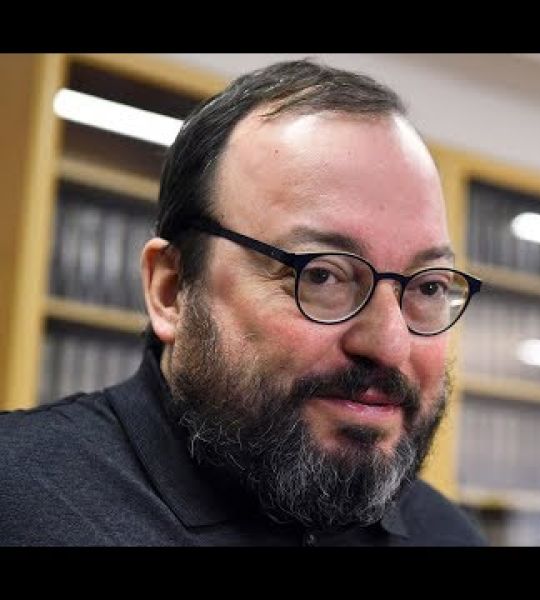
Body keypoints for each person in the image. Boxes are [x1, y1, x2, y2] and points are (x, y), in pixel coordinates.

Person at [0, 59, 486, 546]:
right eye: (321, 275)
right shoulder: (18, 498)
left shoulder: (447, 534)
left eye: (428, 287)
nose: (390, 344)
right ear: (171, 289)